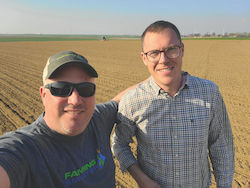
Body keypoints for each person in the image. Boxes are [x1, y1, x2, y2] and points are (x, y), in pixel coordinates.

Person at [112, 20, 234, 188]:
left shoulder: (210, 93)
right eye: (154, 53)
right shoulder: (133, 101)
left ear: (182, 50)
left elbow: (221, 146)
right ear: (144, 58)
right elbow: (119, 144)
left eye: (171, 50)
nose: (163, 59)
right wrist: (142, 179)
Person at [0, 51, 132, 188]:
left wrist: (155, 78)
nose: (75, 100)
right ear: (43, 95)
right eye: (61, 89)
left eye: (85, 89)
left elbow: (119, 99)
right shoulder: (26, 149)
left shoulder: (97, 118)